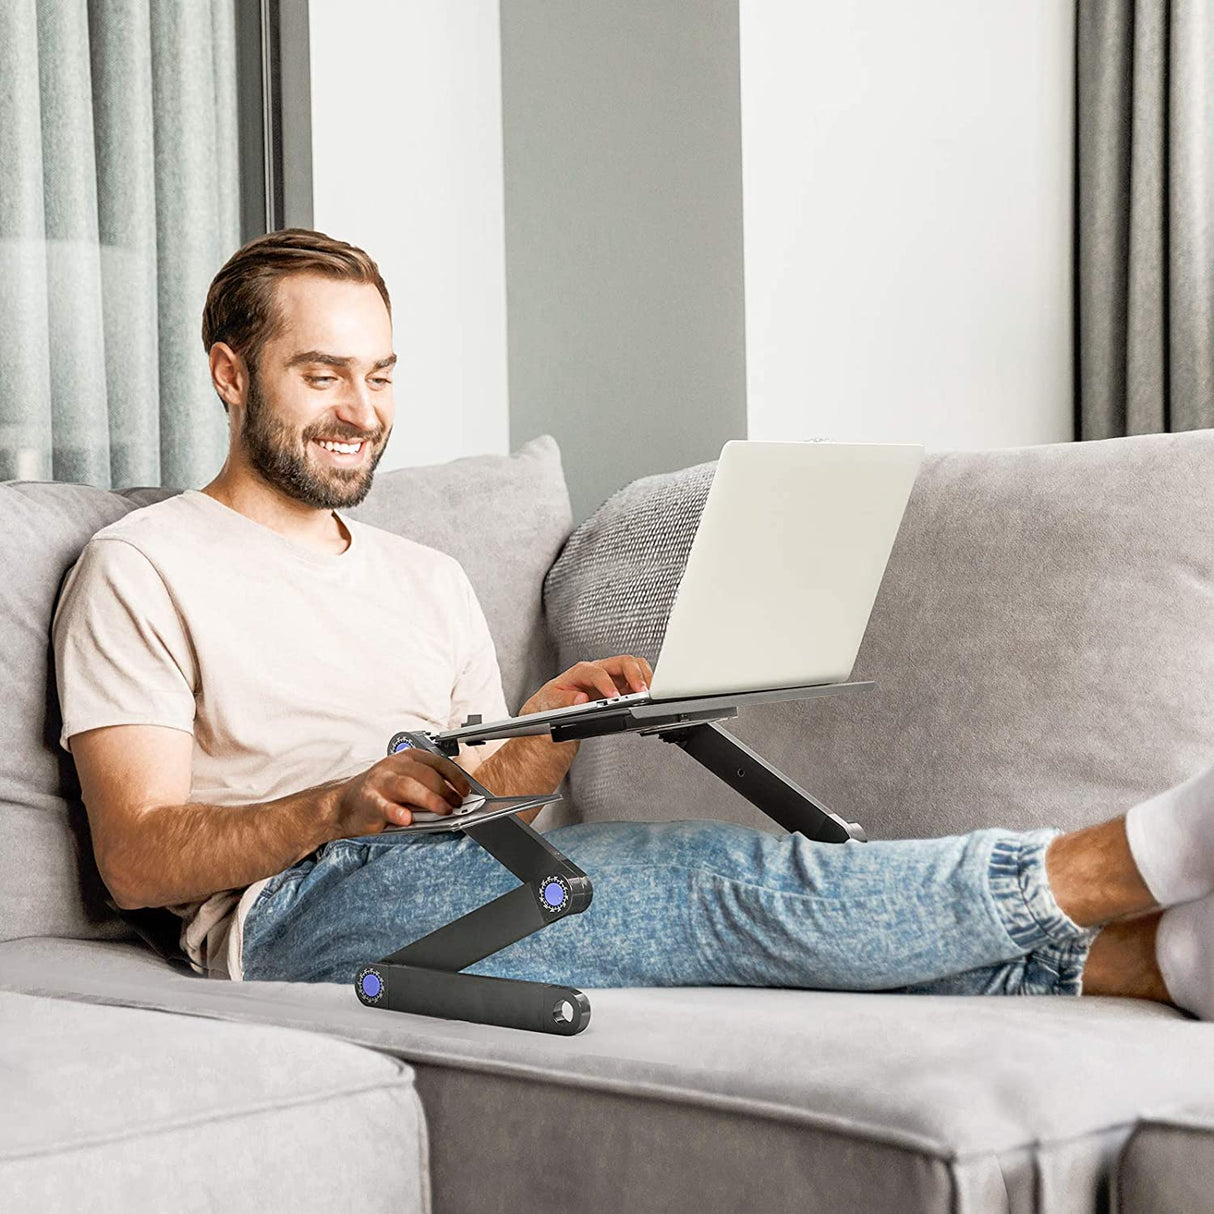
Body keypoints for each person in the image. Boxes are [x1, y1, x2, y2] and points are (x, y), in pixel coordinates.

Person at [50, 229, 1214, 1019]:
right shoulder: (144, 565)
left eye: (383, 375)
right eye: (323, 375)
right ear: (230, 373)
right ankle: (1128, 854)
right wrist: (335, 803)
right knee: (706, 887)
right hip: (290, 911)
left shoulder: (424, 573)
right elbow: (138, 854)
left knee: (735, 923)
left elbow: (490, 800)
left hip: (453, 865)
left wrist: (542, 735)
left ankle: (1152, 960)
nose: (363, 412)